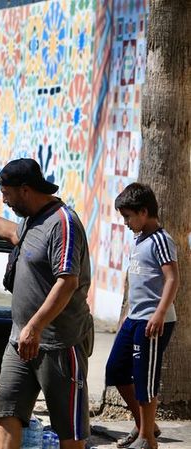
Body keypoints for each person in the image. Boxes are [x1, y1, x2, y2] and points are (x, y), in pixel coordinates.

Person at [0, 158, 93, 449]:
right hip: (21, 341)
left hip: (58, 343)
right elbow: (15, 235)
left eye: (7, 194)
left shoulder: (63, 223)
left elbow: (67, 281)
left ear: (26, 190)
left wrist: (36, 326)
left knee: (69, 431)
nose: (4, 201)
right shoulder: (32, 219)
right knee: (6, 413)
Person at [105, 183, 178, 449]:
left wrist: (159, 313)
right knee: (116, 370)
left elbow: (172, 279)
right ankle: (146, 425)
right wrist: (127, 313)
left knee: (145, 379)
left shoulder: (161, 239)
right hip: (135, 319)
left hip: (153, 321)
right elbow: (138, 281)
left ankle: (147, 439)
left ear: (144, 211)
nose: (125, 223)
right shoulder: (140, 239)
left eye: (128, 216)